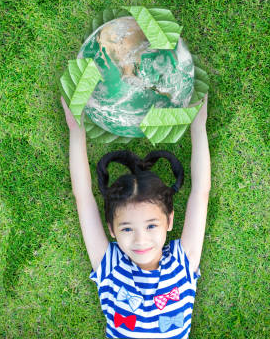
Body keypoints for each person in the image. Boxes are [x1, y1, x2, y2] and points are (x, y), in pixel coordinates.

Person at [61, 94, 210, 338]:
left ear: (169, 221)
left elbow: (201, 194)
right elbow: (83, 198)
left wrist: (198, 125)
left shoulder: (183, 263)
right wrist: (75, 131)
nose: (141, 240)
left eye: (151, 226)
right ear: (112, 229)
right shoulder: (110, 267)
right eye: (127, 229)